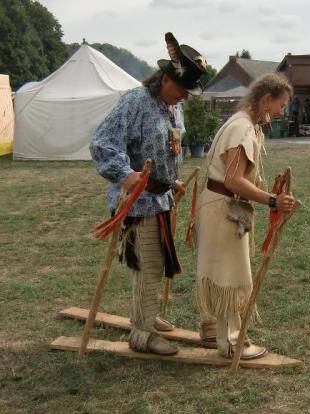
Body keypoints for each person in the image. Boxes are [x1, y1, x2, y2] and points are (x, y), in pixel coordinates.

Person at [89, 32, 208, 355]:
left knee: (152, 264)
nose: (185, 97)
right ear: (166, 79)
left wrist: (172, 182)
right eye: (182, 90)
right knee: (151, 264)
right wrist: (125, 174)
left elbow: (168, 149)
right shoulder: (136, 101)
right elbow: (103, 143)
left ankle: (146, 317)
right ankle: (142, 333)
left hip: (160, 198)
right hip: (137, 201)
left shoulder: (172, 108)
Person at [195, 73, 296, 359]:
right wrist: (272, 200)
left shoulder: (243, 124)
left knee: (221, 271)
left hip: (221, 207)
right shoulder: (241, 129)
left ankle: (213, 328)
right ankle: (230, 342)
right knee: (228, 275)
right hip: (223, 210)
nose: (282, 112)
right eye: (281, 105)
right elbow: (233, 180)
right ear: (266, 100)